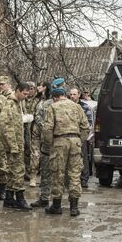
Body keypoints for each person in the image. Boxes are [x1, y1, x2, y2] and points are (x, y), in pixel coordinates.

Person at [42, 79, 90, 216]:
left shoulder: (53, 107)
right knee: (75, 173)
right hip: (75, 141)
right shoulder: (77, 106)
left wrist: (50, 144)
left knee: (58, 173)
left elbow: (47, 129)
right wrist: (79, 141)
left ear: (55, 97)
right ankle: (74, 207)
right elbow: (86, 127)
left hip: (59, 142)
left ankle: (56, 206)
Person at [0, 83, 32, 210]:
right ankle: (20, 198)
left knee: (13, 171)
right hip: (14, 145)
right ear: (18, 91)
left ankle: (9, 197)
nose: (26, 96)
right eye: (25, 93)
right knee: (18, 171)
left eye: (28, 94)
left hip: (17, 143)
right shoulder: (10, 104)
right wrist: (13, 146)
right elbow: (6, 125)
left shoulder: (18, 103)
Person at [69, 88, 94, 188]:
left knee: (83, 157)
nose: (72, 96)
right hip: (69, 135)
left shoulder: (85, 107)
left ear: (79, 95)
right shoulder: (67, 106)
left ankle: (84, 179)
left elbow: (89, 123)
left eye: (74, 94)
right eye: (70, 94)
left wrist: (82, 136)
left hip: (80, 136)